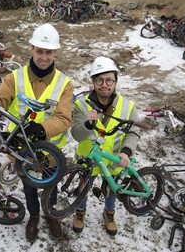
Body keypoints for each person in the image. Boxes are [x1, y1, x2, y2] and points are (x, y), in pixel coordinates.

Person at [0, 23, 74, 242]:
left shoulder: (64, 84)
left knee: (51, 185)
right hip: (22, 149)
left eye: (48, 52)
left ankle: (51, 215)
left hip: (50, 152)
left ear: (55, 52)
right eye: (39, 51)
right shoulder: (14, 78)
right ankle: (34, 217)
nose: (43, 57)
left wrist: (43, 129)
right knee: (29, 185)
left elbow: (65, 118)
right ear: (31, 49)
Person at [71, 56, 140, 236]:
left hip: (115, 160)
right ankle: (80, 212)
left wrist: (126, 153)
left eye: (109, 80)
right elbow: (76, 135)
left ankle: (109, 214)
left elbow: (133, 133)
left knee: (111, 190)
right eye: (99, 80)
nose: (105, 84)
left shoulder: (129, 106)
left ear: (116, 82)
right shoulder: (80, 105)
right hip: (88, 161)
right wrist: (87, 124)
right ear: (93, 82)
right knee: (83, 188)